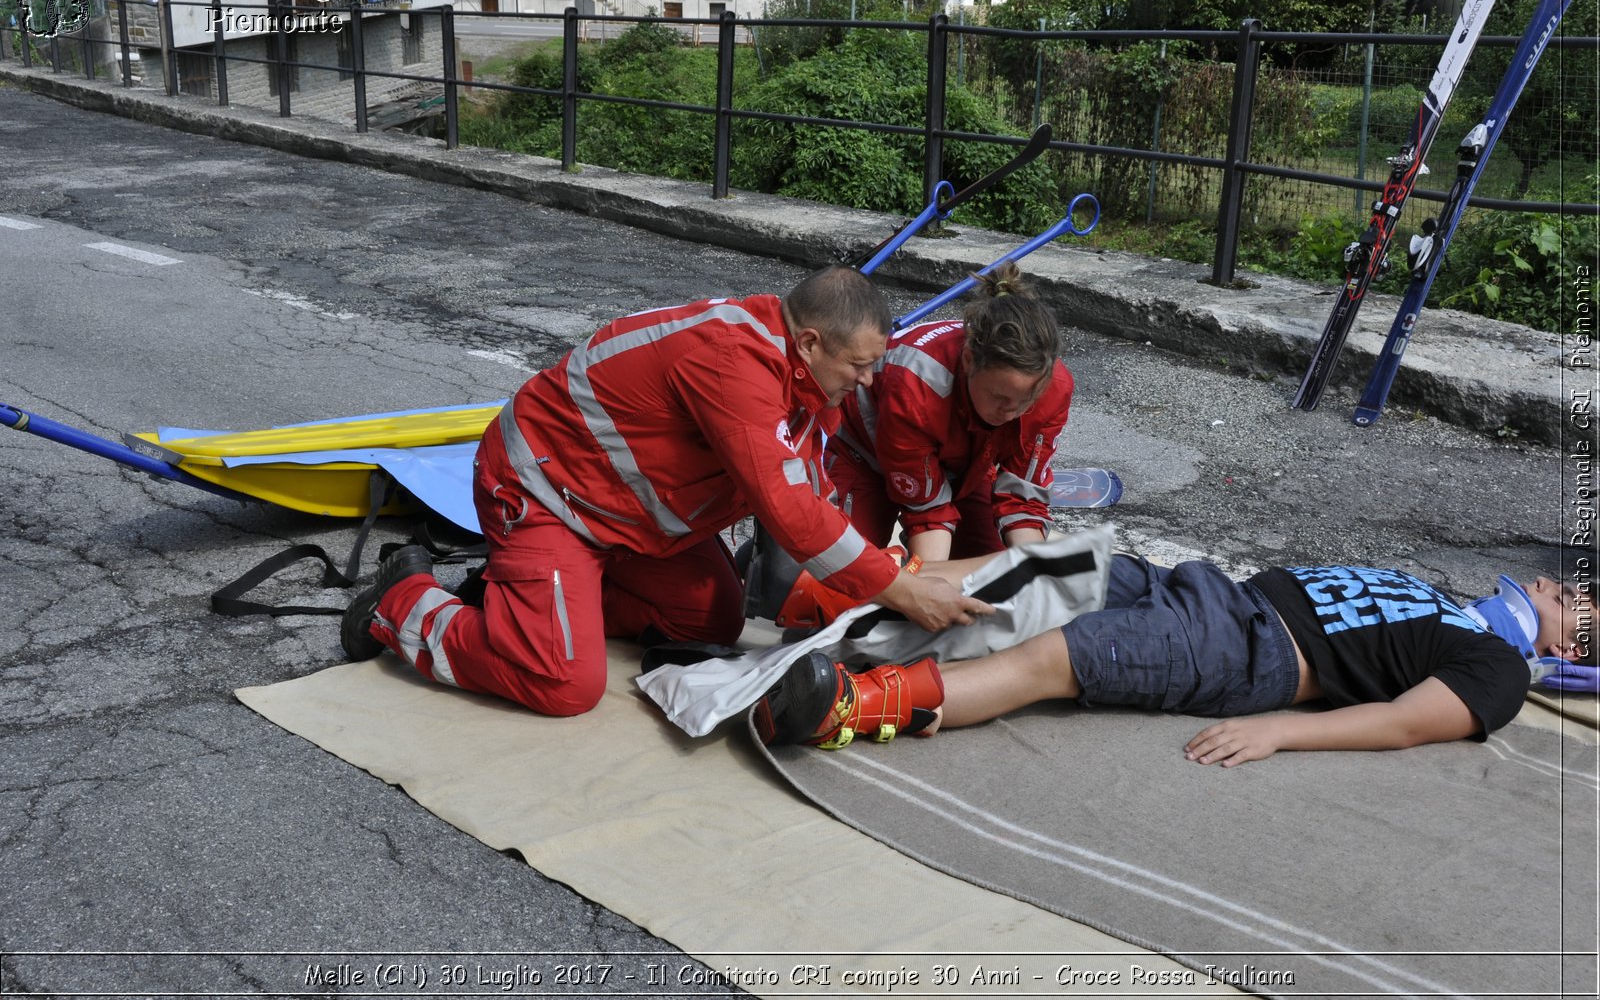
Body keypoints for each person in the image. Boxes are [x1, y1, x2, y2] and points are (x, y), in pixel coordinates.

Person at [339, 265, 993, 716]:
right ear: (811, 342)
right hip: (544, 494)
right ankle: (404, 602)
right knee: (564, 682)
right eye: (860, 365)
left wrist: (891, 575)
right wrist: (902, 588)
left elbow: (814, 493)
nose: (872, 381)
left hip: (623, 520)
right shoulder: (735, 363)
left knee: (712, 619)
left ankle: (533, 604)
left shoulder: (805, 378)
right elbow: (792, 513)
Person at [754, 550, 1596, 766]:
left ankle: (848, 707)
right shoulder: (1452, 605)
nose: (1552, 582)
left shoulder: (1502, 671)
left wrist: (1277, 732)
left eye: (1572, 600)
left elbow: (1408, 724)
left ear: (1570, 646)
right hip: (1219, 591)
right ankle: (837, 597)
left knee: (1061, 654)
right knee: (1049, 564)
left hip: (1250, 649)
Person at [827, 261, 1073, 563]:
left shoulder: (1055, 387)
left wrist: (1032, 572)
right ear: (969, 360)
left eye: (1027, 401)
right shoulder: (917, 386)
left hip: (963, 465)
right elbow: (928, 513)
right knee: (846, 576)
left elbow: (1023, 499)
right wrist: (929, 593)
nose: (1011, 412)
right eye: (999, 396)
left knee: (994, 579)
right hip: (866, 458)